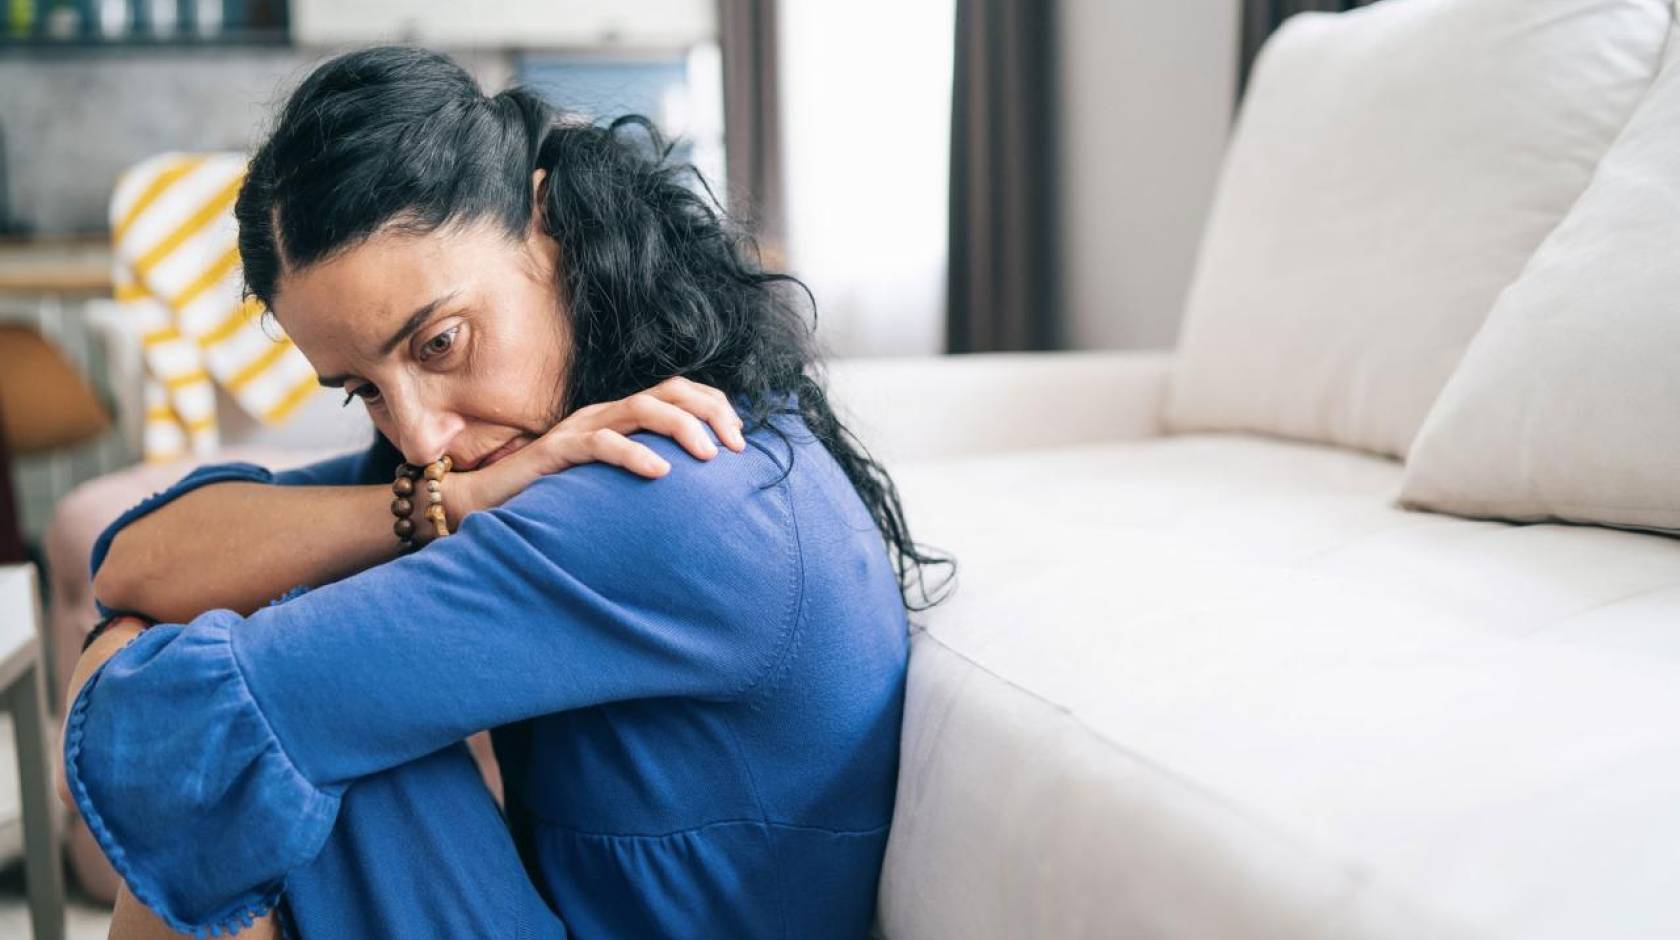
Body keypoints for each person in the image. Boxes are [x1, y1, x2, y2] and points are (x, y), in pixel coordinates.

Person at [58, 45, 946, 940]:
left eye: (439, 343)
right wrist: (446, 507)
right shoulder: (535, 449)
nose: (418, 434)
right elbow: (136, 561)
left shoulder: (664, 493)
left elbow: (156, 735)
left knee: (259, 749)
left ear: (545, 225)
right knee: (259, 699)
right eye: (362, 390)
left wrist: (118, 656)